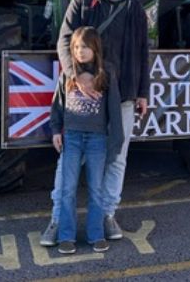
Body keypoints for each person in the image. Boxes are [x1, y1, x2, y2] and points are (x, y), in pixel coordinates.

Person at [40, 0, 150, 247]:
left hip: (122, 96)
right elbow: (65, 39)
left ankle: (106, 215)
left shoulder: (135, 10)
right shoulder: (81, 2)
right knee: (69, 162)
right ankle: (57, 220)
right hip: (82, 96)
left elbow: (142, 53)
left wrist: (142, 92)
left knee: (116, 158)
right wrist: (76, 75)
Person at [48, 27, 124, 254]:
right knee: (68, 189)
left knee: (96, 189)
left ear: (96, 48)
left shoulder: (106, 73)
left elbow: (114, 113)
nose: (81, 51)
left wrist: (115, 143)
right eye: (77, 47)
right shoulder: (67, 75)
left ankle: (96, 235)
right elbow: (57, 106)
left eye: (86, 47)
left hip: (97, 140)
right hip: (71, 138)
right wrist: (55, 131)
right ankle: (66, 236)